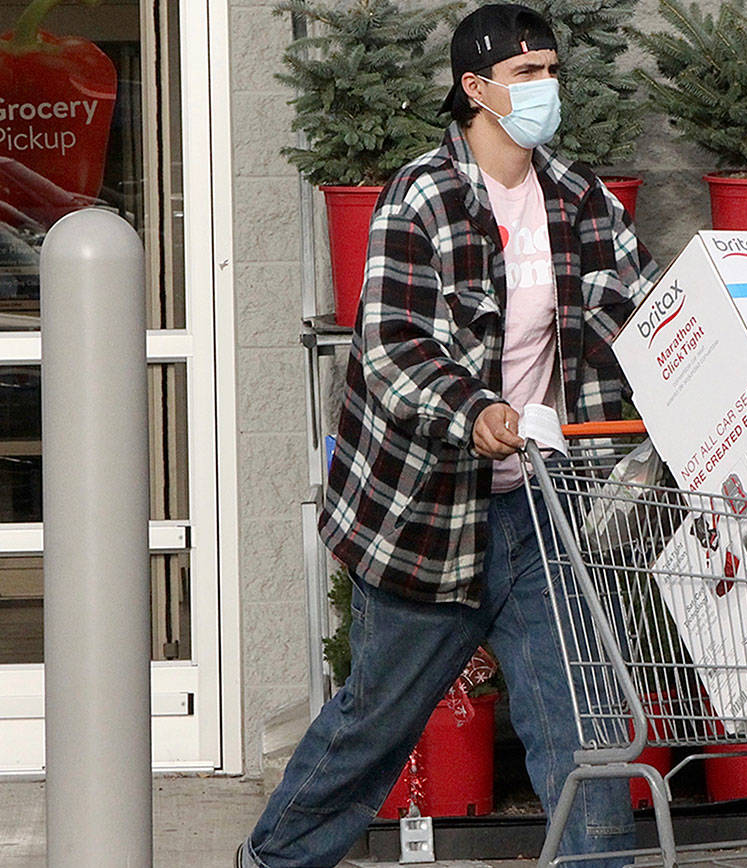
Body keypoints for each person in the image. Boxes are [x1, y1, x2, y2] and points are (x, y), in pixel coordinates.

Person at [237, 5, 657, 865]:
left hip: (545, 517)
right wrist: (479, 412)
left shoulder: (584, 201)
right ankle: (272, 862)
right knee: (372, 733)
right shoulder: (423, 196)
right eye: (526, 75)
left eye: (552, 71)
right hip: (433, 521)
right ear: (475, 90)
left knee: (589, 744)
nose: (547, 89)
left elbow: (643, 318)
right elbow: (391, 349)